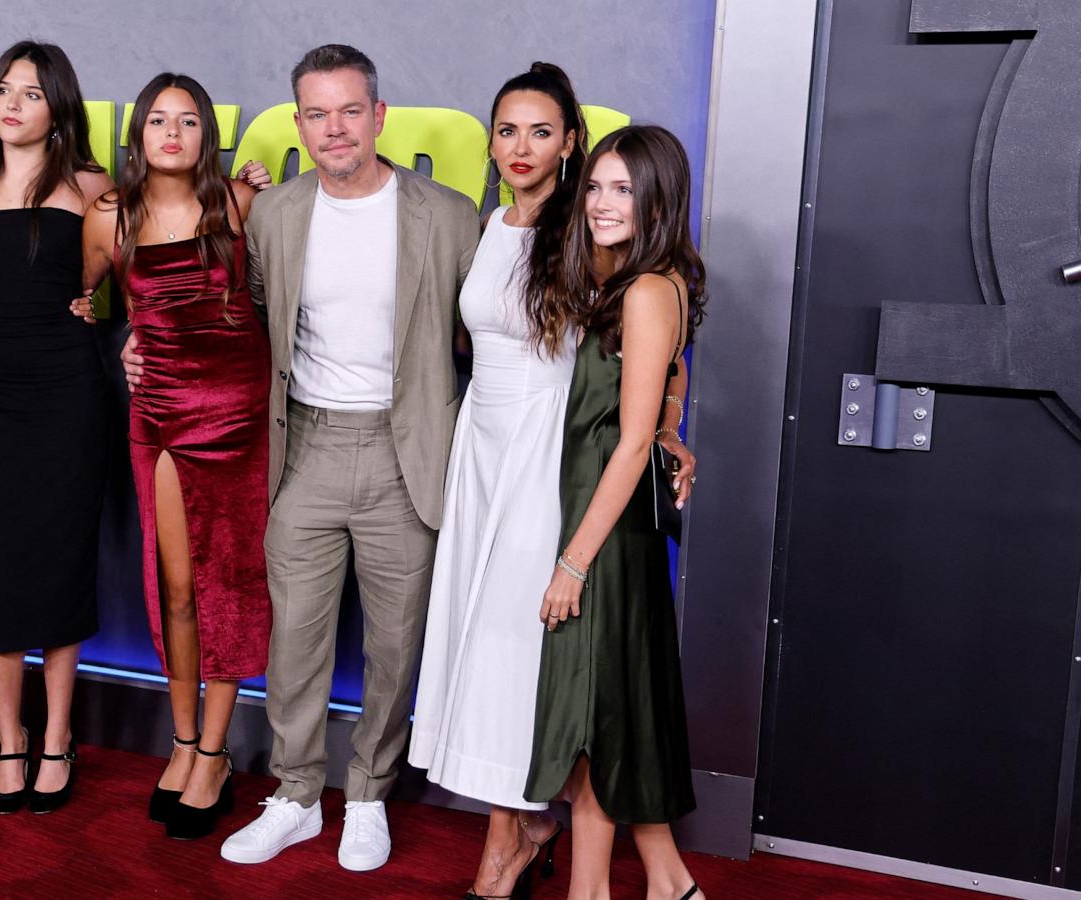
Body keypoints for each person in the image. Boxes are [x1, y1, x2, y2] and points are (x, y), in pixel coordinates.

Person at [127, 43, 478, 871]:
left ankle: (367, 795)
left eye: (350, 110)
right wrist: (136, 352)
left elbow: (493, 329)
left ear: (379, 116)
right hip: (303, 446)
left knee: (394, 645)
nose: (334, 129)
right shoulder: (274, 215)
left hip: (405, 449)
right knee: (294, 640)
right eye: (316, 114)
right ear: (299, 125)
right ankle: (293, 793)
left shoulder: (451, 213)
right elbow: (226, 318)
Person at [410, 65, 699, 900]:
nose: (521, 147)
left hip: (552, 456)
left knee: (534, 659)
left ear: (570, 140)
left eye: (542, 131)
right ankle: (636, 870)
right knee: (491, 645)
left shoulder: (593, 231)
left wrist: (668, 430)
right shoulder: (485, 224)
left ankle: (517, 845)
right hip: (482, 448)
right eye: (507, 130)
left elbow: (653, 351)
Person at [74, 72, 271, 841]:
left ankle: (215, 753)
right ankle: (182, 739)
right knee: (177, 587)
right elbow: (78, 301)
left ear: (204, 136)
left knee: (228, 584)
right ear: (139, 133)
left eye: (188, 121)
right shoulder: (107, 217)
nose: (172, 133)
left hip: (236, 413)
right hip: (158, 412)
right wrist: (118, 343)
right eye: (159, 119)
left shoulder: (235, 202)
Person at [525, 124, 708, 900]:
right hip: (614, 529)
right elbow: (672, 377)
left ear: (657, 198)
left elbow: (629, 449)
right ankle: (667, 885)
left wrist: (572, 563)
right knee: (610, 714)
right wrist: (671, 425)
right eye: (595, 186)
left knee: (594, 723)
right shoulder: (654, 282)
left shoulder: (641, 289)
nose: (600, 202)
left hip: (603, 537)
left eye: (622, 189)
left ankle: (592, 892)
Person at [0, 40, 113, 816]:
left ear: (59, 109)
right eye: (3, 89)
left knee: (60, 562)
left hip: (66, 395)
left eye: (32, 93)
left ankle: (57, 738)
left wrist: (93, 306)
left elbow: (140, 273)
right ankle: (9, 739)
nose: (12, 104)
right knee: (3, 565)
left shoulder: (90, 186)